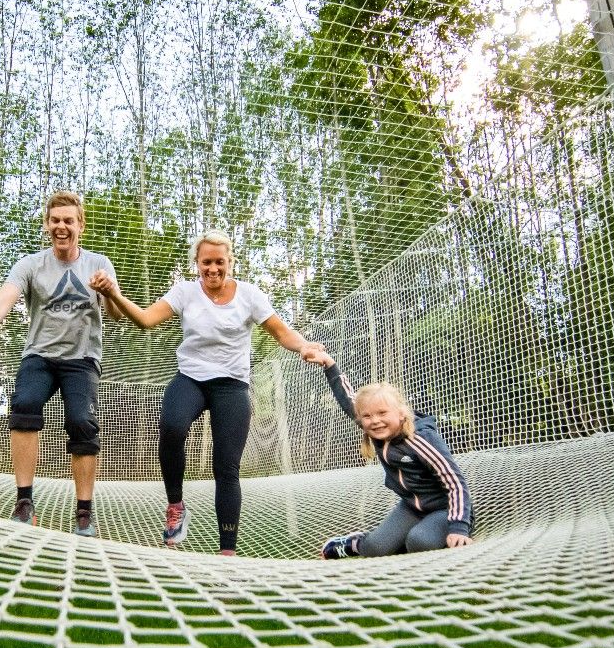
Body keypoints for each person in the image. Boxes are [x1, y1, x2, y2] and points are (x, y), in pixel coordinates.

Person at [93, 232, 323, 555]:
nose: (213, 268)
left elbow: (281, 332)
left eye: (219, 262)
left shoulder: (249, 295)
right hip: (191, 378)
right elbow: (145, 320)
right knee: (172, 426)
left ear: (230, 262)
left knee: (226, 467)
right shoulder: (185, 292)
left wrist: (304, 346)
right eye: (206, 262)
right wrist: (114, 294)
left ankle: (227, 552)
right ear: (197, 264)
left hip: (232, 384)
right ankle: (176, 506)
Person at [0, 192, 119, 534]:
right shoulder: (30, 265)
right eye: (55, 220)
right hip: (40, 356)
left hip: (82, 359)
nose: (62, 226)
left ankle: (84, 512)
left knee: (82, 422)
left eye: (69, 220)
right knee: (24, 404)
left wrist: (109, 292)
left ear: (80, 225)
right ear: (47, 225)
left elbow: (117, 314)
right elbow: (2, 301)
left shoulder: (99, 264)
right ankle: (24, 501)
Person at [307, 351, 473, 557]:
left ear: (401, 413)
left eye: (383, 413)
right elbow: (348, 399)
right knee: (375, 548)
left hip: (446, 509)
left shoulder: (420, 439)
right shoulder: (377, 431)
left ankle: (421, 534)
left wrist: (459, 527)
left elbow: (455, 482)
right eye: (368, 416)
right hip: (412, 507)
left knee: (419, 541)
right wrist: (329, 365)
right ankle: (355, 543)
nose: (375, 420)